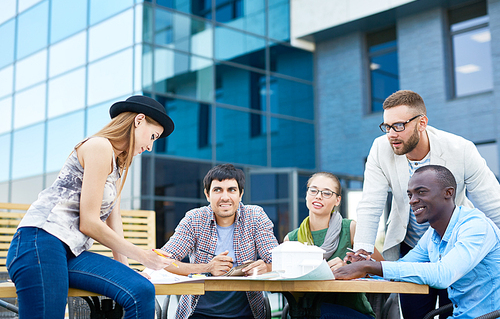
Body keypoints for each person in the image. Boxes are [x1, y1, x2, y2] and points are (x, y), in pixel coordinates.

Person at [7, 95, 177, 319]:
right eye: (153, 136)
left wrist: (126, 268)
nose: (150, 146)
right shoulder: (99, 146)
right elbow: (89, 222)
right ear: (139, 120)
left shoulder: (116, 167)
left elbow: (113, 223)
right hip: (39, 242)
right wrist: (143, 256)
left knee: (140, 290)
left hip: (70, 252)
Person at [353, 90, 500, 318]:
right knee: (415, 314)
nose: (391, 134)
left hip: (457, 245)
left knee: (455, 303)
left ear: (422, 123)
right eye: (387, 126)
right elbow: (371, 202)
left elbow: (493, 205)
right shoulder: (381, 149)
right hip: (417, 244)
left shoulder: (461, 149)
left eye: (399, 125)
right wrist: (362, 255)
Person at [335, 165, 500, 319]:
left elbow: (443, 274)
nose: (412, 200)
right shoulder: (433, 235)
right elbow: (403, 267)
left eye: (421, 192)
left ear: (448, 193)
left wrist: (370, 267)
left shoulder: (475, 226)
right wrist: (367, 267)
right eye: (410, 194)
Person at [161, 163, 279, 319]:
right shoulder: (194, 219)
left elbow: (278, 261)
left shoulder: (255, 217)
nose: (225, 197)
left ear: (240, 194)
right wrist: (207, 267)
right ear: (207, 195)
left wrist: (266, 268)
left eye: (231, 190)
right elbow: (163, 260)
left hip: (246, 313)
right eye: (217, 190)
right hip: (198, 313)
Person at [284, 172, 380, 319]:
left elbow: (382, 267)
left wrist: (352, 269)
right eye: (313, 190)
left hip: (353, 313)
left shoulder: (351, 229)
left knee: (318, 312)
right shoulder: (291, 240)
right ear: (307, 195)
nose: (318, 196)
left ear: (337, 200)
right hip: (309, 312)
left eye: (327, 193)